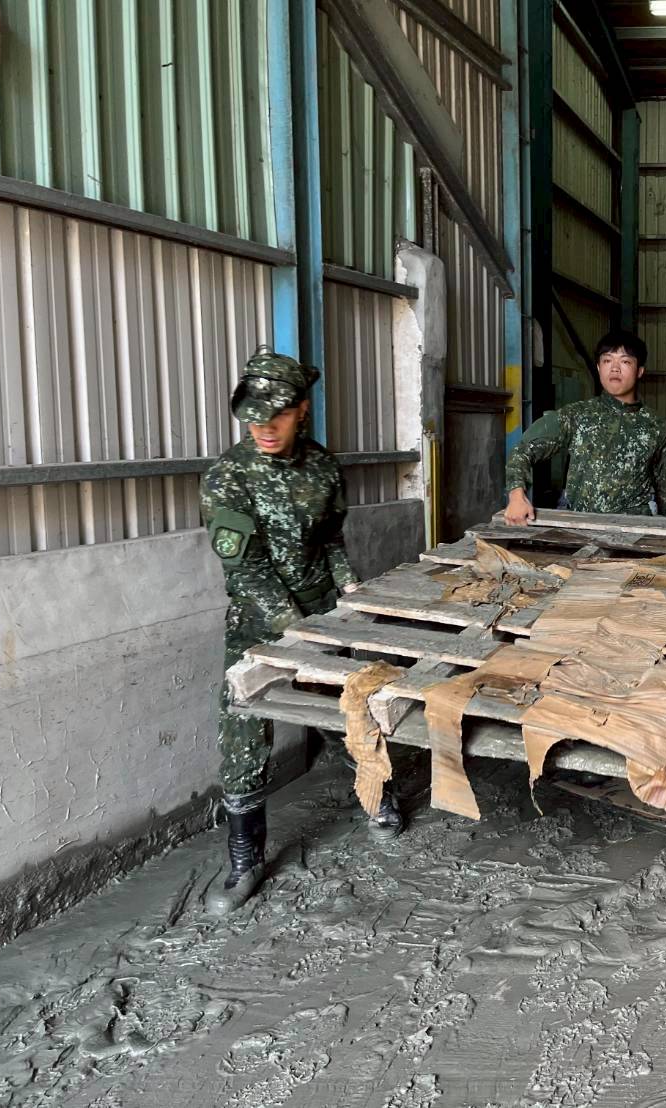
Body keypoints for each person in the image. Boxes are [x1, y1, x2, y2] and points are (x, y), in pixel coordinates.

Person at [200, 348, 402, 916]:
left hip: (321, 614)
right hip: (258, 623)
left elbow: (333, 542)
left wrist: (350, 590)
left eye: (278, 414)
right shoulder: (228, 477)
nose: (264, 426)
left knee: (349, 706)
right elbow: (247, 570)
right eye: (253, 414)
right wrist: (299, 633)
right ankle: (245, 860)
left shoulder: (322, 466)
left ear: (302, 411)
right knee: (242, 728)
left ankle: (377, 797)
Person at [503, 329, 666, 523]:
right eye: (607, 361)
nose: (615, 368)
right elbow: (522, 451)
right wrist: (516, 496)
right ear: (598, 368)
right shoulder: (576, 415)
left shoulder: (656, 426)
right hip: (579, 526)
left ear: (639, 370)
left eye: (625, 361)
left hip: (633, 532)